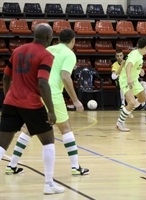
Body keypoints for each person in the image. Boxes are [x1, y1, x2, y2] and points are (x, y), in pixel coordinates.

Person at [5, 29, 89, 176]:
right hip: (52, 94)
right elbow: (65, 76)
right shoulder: (69, 54)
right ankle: (75, 167)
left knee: (29, 130)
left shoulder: (48, 48)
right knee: (66, 129)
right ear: (73, 40)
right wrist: (75, 100)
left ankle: (12, 165)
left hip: (36, 93)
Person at [0, 23, 65, 194]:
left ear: (34, 34)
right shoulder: (45, 54)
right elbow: (42, 83)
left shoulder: (17, 50)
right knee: (48, 141)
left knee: (1, 146)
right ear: (49, 37)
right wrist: (51, 110)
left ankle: (49, 184)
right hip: (31, 104)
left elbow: (6, 78)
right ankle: (49, 184)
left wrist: (8, 97)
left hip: (11, 102)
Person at [115, 37, 146, 132]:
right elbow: (129, 66)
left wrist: (140, 71)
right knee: (131, 102)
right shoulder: (135, 55)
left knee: (143, 98)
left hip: (134, 80)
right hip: (126, 80)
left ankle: (128, 110)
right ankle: (119, 123)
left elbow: (134, 66)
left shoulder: (139, 55)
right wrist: (129, 78)